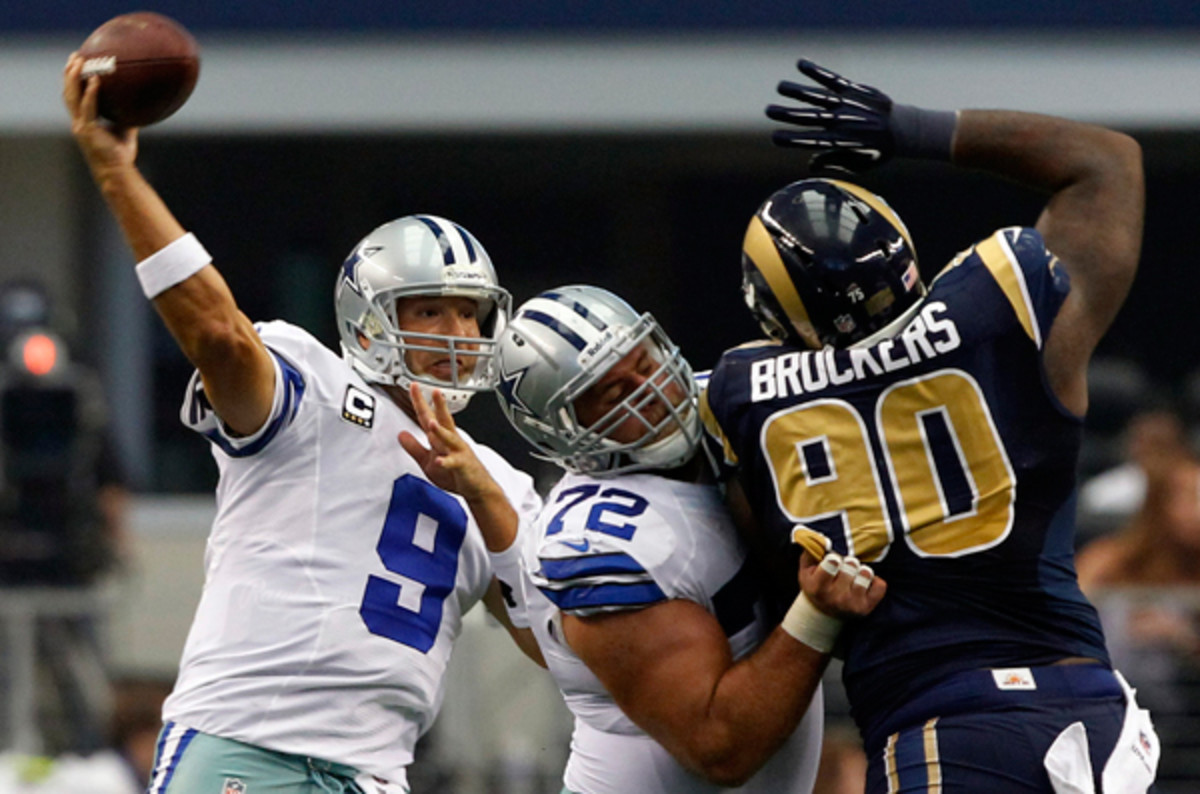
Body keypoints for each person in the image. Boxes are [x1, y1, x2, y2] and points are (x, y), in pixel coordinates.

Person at [63, 54, 543, 794]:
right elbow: (218, 334)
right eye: (429, 310)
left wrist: (485, 501)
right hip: (251, 749)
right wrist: (117, 172)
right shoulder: (311, 383)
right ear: (370, 321)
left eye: (469, 314)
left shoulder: (499, 483)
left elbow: (558, 646)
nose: (457, 334)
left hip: (377, 773)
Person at [700, 59, 1159, 792]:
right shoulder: (997, 305)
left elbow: (776, 581)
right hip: (1095, 712)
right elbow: (1107, 163)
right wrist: (911, 129)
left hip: (943, 722)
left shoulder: (741, 394)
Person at [399, 284, 886, 793]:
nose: (652, 389)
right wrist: (817, 614)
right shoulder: (602, 543)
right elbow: (720, 747)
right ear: (563, 433)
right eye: (616, 394)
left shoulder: (732, 405)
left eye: (646, 362)